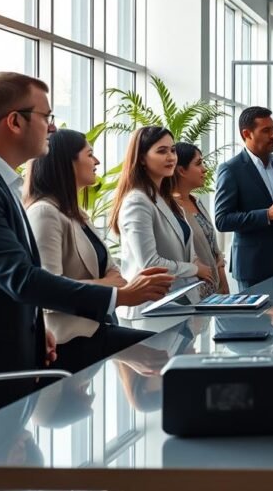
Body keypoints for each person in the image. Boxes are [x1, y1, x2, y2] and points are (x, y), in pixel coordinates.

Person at [0, 72, 168, 438]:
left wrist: (36, 327)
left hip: (2, 361)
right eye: (47, 117)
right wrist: (119, 295)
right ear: (14, 121)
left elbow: (2, 276)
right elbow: (21, 278)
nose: (52, 127)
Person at [24, 129, 171, 372]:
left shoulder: (77, 214)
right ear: (66, 162)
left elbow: (116, 274)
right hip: (69, 339)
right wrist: (108, 285)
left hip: (98, 326)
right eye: (90, 154)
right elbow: (47, 293)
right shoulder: (44, 213)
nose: (97, 161)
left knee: (163, 351)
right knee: (161, 353)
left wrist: (114, 283)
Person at [110, 126, 214, 318]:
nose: (171, 157)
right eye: (161, 151)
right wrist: (195, 269)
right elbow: (150, 263)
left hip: (176, 303)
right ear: (141, 158)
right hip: (149, 308)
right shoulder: (137, 200)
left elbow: (183, 251)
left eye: (172, 150)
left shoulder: (167, 200)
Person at [215, 106, 273, 290]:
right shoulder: (231, 170)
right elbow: (222, 220)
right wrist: (267, 214)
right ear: (247, 134)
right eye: (266, 130)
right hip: (253, 267)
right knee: (256, 320)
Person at [173, 142, 230, 295]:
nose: (204, 169)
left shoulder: (197, 201)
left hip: (214, 291)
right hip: (192, 293)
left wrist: (224, 285)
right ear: (181, 170)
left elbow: (215, 250)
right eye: (198, 163)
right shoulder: (172, 209)